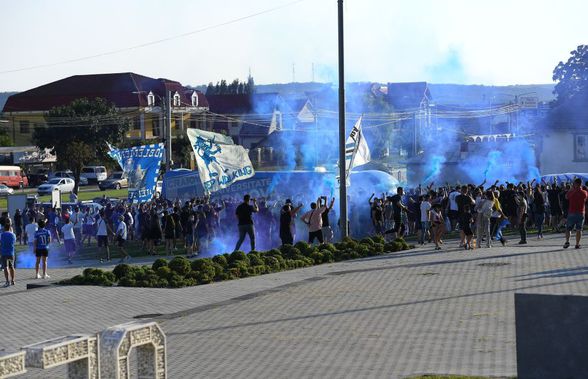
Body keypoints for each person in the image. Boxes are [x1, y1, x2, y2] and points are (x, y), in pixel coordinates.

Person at [564, 178, 588, 249]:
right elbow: (585, 198)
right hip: (581, 213)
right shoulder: (584, 192)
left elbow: (566, 197)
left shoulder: (571, 192)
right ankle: (577, 244)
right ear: (581, 184)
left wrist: (572, 189)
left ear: (575, 184)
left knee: (568, 229)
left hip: (572, 212)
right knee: (579, 229)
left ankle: (567, 241)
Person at [1, 220, 16, 287]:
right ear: (10, 227)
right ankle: (12, 280)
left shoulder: (1, 235)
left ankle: (7, 281)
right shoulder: (13, 235)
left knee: (5, 267)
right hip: (11, 253)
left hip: (4, 253)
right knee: (11, 267)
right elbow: (14, 242)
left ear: (4, 228)